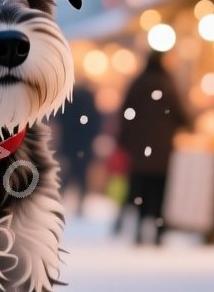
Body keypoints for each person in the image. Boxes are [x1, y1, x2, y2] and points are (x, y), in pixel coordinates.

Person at [117, 50, 190, 246]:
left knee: (139, 189)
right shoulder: (168, 84)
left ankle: (139, 228)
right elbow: (181, 115)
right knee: (159, 191)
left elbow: (125, 112)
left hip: (140, 150)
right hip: (162, 150)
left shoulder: (138, 83)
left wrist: (126, 141)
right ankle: (158, 230)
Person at [54, 82, 102, 216]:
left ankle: (59, 199)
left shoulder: (70, 102)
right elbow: (96, 125)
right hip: (84, 146)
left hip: (69, 145)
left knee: (65, 174)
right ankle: (80, 204)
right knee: (81, 176)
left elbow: (61, 120)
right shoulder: (90, 104)